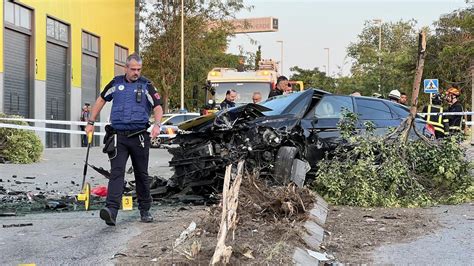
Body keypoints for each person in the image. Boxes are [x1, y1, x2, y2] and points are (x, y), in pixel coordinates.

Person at [85, 53, 163, 226]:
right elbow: (100, 100)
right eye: (133, 69)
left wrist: (157, 125)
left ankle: (145, 210)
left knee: (141, 174)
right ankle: (111, 211)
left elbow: (158, 107)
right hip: (118, 136)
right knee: (116, 173)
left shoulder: (147, 86)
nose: (136, 72)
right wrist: (91, 122)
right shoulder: (115, 83)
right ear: (125, 68)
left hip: (139, 137)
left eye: (139, 69)